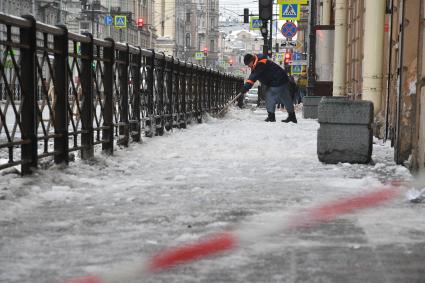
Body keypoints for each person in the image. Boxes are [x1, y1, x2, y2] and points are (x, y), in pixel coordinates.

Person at [240, 53, 297, 123]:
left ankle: (271, 117)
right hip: (283, 78)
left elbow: (252, 78)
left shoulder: (260, 64)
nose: (248, 66)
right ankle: (292, 116)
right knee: (285, 97)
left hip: (277, 80)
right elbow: (253, 76)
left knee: (269, 95)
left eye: (248, 64)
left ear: (251, 61)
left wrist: (245, 88)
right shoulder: (259, 61)